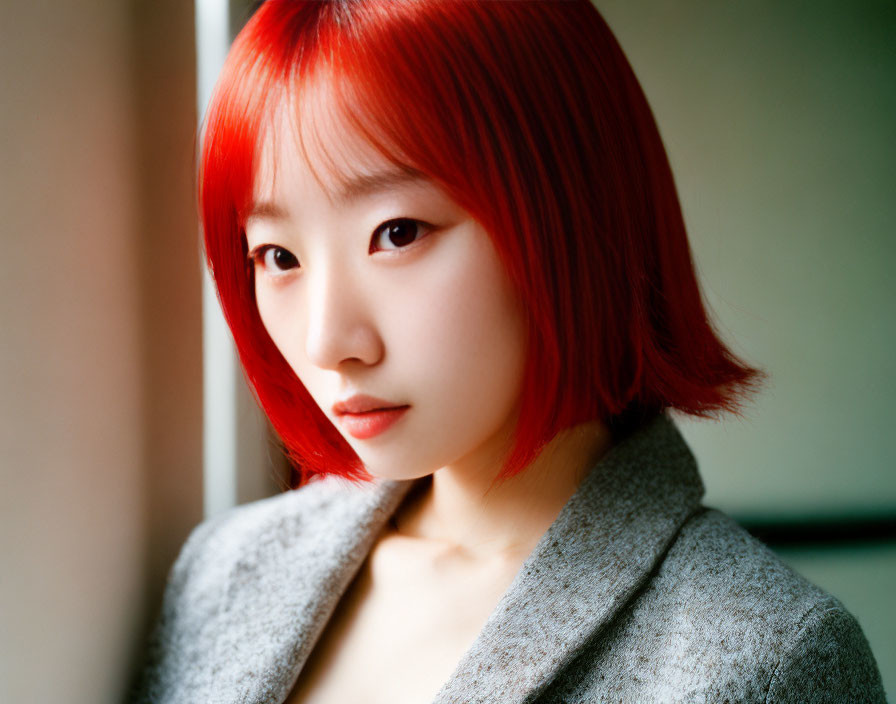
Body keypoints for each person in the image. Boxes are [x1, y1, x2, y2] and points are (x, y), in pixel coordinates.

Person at [131, 1, 886, 702]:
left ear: (570, 214)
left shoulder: (765, 656)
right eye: (278, 257)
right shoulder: (227, 573)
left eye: (397, 233)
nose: (329, 342)